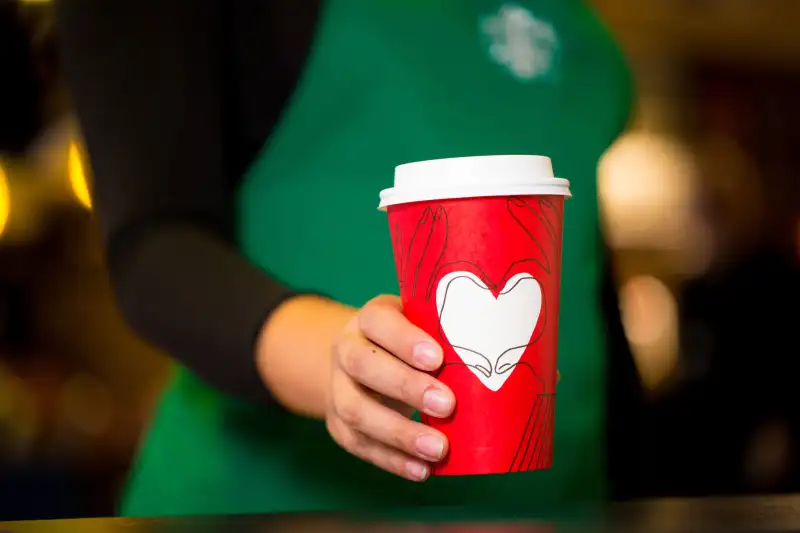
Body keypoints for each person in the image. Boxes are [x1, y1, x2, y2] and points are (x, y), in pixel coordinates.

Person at [55, 0, 641, 518]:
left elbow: (579, 270)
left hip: (561, 507)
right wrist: (342, 363)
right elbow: (156, 246)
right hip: (275, 507)